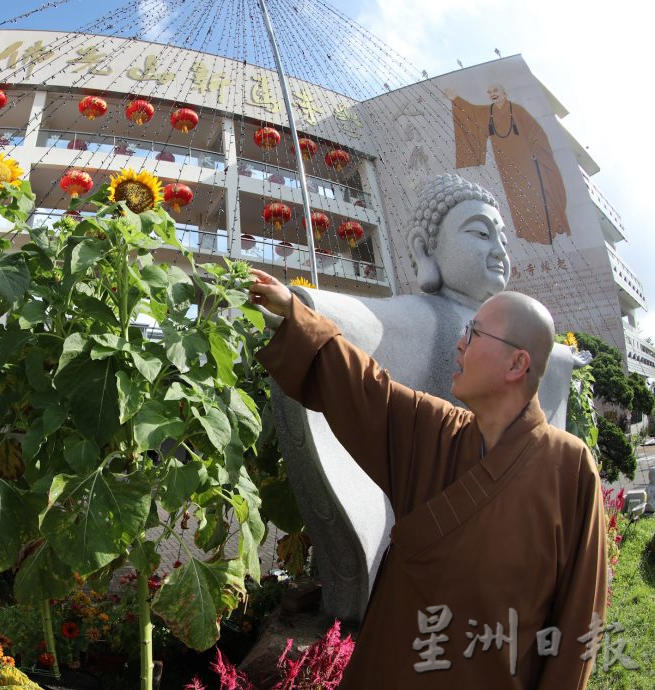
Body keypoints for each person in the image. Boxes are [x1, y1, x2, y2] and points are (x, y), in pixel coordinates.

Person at [249, 271, 607, 689]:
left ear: (517, 363)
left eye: (473, 334)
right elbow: (367, 390)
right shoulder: (438, 431)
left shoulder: (569, 467)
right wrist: (294, 312)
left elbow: (581, 614)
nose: (460, 343)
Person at [444, 84, 571, 245]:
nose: (492, 94)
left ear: (505, 92)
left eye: (495, 91)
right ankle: (529, 233)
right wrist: (455, 99)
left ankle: (547, 230)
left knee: (536, 194)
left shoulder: (517, 110)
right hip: (507, 166)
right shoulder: (488, 113)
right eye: (489, 92)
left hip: (528, 162)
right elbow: (471, 114)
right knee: (517, 198)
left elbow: (536, 132)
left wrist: (536, 150)